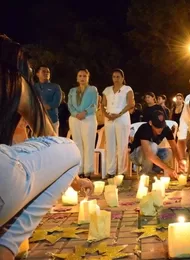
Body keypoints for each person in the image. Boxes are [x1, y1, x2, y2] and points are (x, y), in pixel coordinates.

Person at [0, 35, 93, 260]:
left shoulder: (60, 88)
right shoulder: (12, 81)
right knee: (70, 149)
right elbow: (48, 134)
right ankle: (8, 245)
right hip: (4, 183)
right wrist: (76, 181)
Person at [129, 110, 185, 178]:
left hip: (152, 153)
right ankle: (145, 174)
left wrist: (179, 161)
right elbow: (148, 154)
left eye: (161, 126)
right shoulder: (144, 129)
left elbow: (174, 147)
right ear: (150, 123)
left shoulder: (166, 129)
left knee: (168, 153)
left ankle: (154, 172)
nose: (160, 129)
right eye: (157, 126)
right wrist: (167, 168)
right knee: (153, 146)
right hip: (136, 156)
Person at [101, 69, 135, 178]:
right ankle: (110, 171)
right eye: (114, 77)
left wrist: (119, 114)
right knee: (110, 145)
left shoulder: (127, 89)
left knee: (122, 145)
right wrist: (106, 115)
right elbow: (103, 105)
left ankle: (121, 172)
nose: (116, 79)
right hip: (109, 118)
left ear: (122, 78)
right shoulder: (107, 90)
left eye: (118, 77)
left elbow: (131, 104)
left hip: (122, 117)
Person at [68, 69, 98, 178]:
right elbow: (70, 105)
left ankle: (88, 171)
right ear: (77, 78)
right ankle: (79, 170)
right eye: (80, 76)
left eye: (84, 76)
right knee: (77, 144)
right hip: (75, 118)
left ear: (88, 78)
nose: (82, 78)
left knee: (88, 144)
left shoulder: (92, 89)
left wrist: (84, 112)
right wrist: (76, 114)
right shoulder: (72, 91)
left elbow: (95, 105)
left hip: (88, 117)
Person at [34, 65, 62, 135]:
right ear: (37, 74)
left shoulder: (55, 87)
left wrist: (42, 106)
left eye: (48, 72)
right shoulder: (34, 87)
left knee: (53, 143)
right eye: (43, 71)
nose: (46, 73)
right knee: (38, 143)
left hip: (52, 120)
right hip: (37, 120)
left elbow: (56, 103)